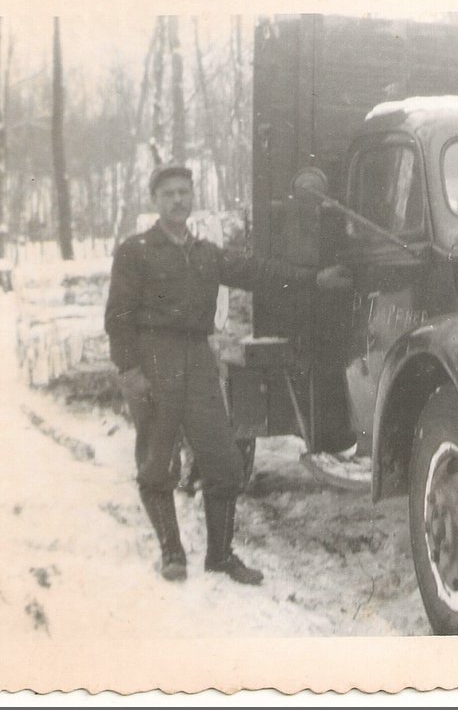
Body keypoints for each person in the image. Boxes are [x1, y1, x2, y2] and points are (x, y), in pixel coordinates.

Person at [105, 164, 346, 585]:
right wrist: (129, 370)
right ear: (155, 201)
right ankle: (171, 551)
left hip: (198, 359)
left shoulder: (205, 254)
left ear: (193, 197)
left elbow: (260, 273)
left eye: (184, 192)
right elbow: (118, 316)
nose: (178, 200)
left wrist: (315, 280)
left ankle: (220, 555)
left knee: (224, 461)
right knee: (157, 464)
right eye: (169, 194)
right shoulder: (135, 251)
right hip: (155, 358)